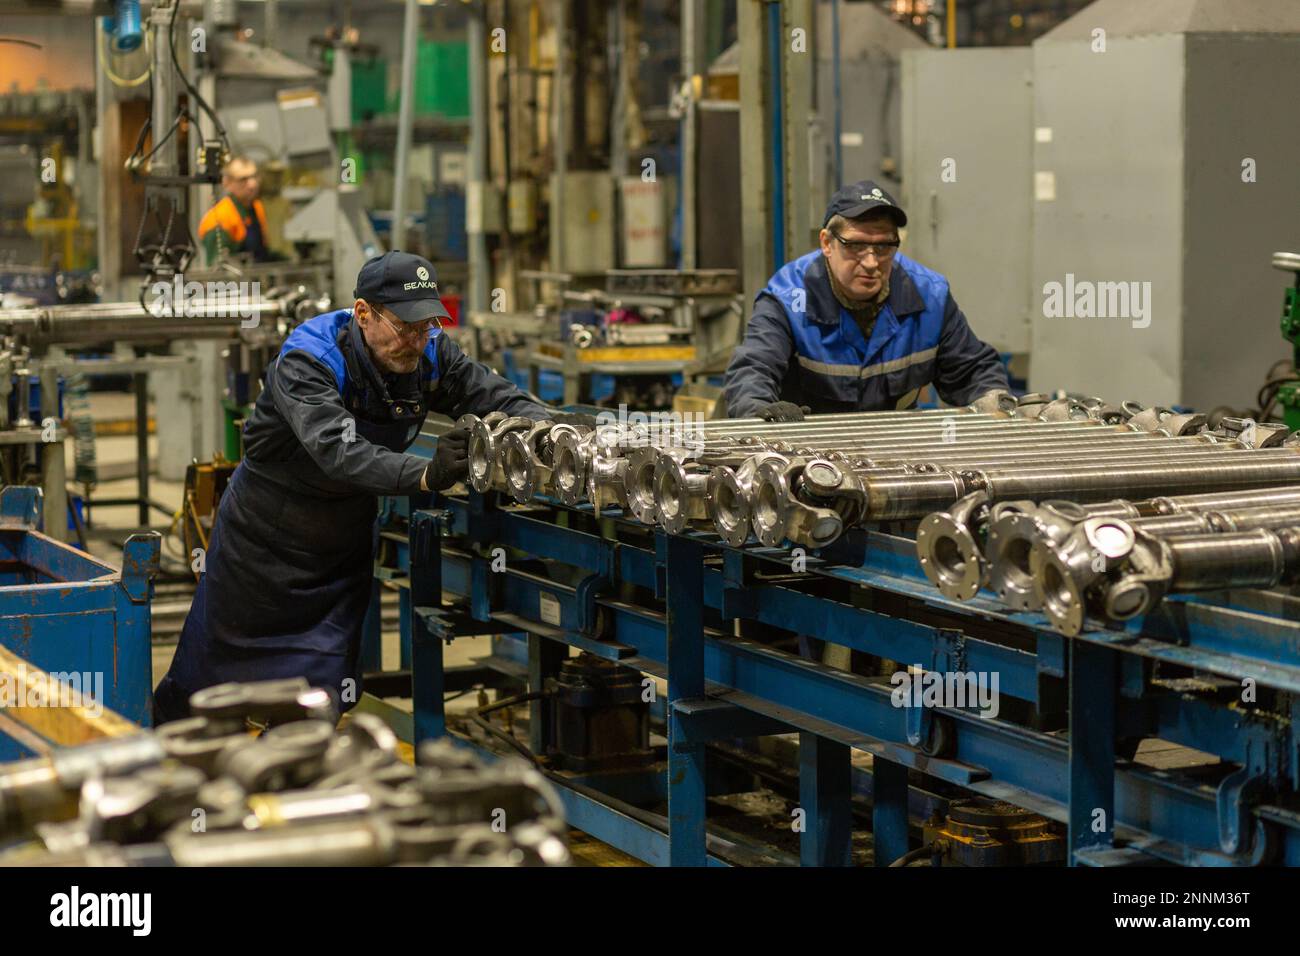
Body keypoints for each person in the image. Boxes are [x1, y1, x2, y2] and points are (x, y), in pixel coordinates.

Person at [153, 251, 584, 722]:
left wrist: (555, 432)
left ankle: (294, 783)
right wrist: (422, 474)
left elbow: (494, 394)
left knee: (317, 698)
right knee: (207, 691)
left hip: (340, 552)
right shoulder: (309, 359)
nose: (417, 341)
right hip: (262, 549)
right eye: (405, 328)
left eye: (426, 327)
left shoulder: (430, 351)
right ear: (363, 314)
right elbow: (340, 452)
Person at [724, 180, 1009, 421]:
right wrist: (758, 413)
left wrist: (994, 402)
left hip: (896, 456)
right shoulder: (788, 300)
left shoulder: (930, 297)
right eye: (856, 246)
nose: (872, 262)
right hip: (810, 460)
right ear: (827, 243)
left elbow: (972, 370)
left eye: (884, 246)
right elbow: (753, 369)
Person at [197, 155, 272, 264]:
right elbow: (217, 270)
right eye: (243, 179)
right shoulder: (219, 219)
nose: (253, 184)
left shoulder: (256, 207)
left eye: (254, 177)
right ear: (227, 183)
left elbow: (263, 254)